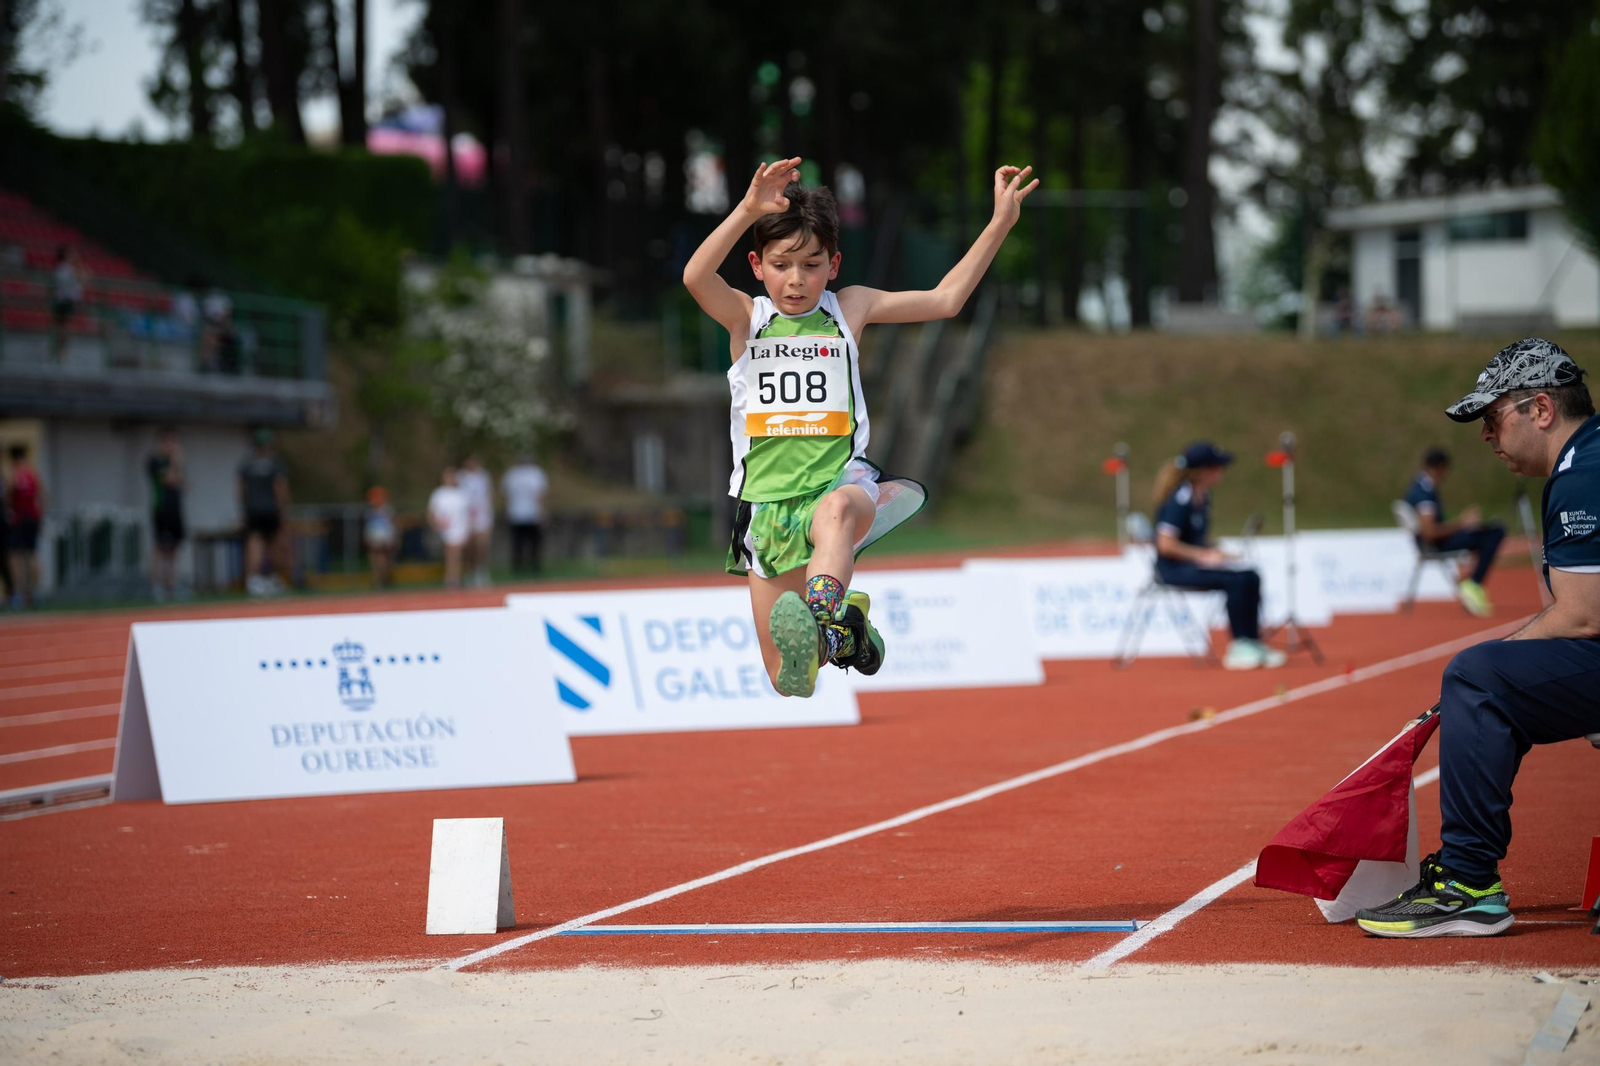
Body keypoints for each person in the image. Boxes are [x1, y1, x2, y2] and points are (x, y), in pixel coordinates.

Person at [684, 155, 1037, 697]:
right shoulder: (745, 320)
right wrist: (748, 208)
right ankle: (849, 638)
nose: (796, 280)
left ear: (834, 264)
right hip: (765, 506)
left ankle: (827, 613)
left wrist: (998, 225)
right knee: (789, 679)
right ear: (757, 265)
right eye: (781, 266)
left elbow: (945, 300)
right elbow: (694, 276)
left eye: (811, 264)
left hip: (839, 485)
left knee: (836, 510)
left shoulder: (850, 309)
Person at [1356, 337, 1600, 938]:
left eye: (1492, 418)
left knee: (1477, 677)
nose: (1487, 437)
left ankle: (1467, 881)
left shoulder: (1582, 473)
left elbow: (1582, 616)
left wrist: (1501, 661)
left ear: (1540, 410)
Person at [1150, 442, 1287, 671]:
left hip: (1192, 565)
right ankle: (1240, 645)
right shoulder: (1179, 500)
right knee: (1235, 581)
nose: (1222, 472)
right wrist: (1202, 555)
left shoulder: (1203, 497)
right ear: (1204, 470)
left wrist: (1218, 552)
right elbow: (1166, 545)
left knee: (1250, 575)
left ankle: (1253, 641)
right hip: (1172, 570)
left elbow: (1195, 538)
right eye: (1218, 467)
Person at [1403, 446, 1505, 617]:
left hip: (1434, 542)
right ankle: (1473, 584)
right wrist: (1462, 523)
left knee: (1489, 531)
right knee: (1494, 532)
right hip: (1437, 544)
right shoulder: (1424, 493)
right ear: (1440, 467)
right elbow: (1430, 533)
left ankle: (1470, 581)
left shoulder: (1418, 485)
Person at [238, 428, 290, 597]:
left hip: (253, 510)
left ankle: (253, 580)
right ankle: (270, 578)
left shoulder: (246, 464)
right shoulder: (275, 464)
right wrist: (283, 509)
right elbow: (279, 488)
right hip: (270, 509)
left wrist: (244, 508)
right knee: (273, 543)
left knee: (254, 543)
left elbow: (241, 490)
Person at [147, 428, 186, 602]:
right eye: (169, 442)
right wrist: (174, 461)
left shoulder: (174, 463)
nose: (173, 446)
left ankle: (172, 585)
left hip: (175, 509)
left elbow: (184, 484)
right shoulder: (155, 461)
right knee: (160, 547)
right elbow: (169, 479)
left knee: (174, 548)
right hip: (161, 509)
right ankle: (157, 585)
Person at [5, 443, 45, 609]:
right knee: (31, 555)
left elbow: (9, 498)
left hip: (20, 518)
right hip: (33, 518)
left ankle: (18, 595)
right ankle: (33, 593)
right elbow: (42, 496)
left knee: (15, 557)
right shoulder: (32, 474)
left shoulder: (13, 475)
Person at [502, 453, 549, 575]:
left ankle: (531, 567)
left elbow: (540, 495)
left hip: (527, 513)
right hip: (519, 513)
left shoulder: (532, 473)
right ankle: (520, 567)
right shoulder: (515, 474)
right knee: (520, 543)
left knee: (530, 543)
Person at [428, 466, 470, 589]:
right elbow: (432, 512)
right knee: (451, 553)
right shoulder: (439, 493)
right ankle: (452, 578)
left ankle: (453, 578)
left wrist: (467, 529)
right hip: (445, 529)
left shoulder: (461, 494)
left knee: (455, 554)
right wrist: (435, 524)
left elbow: (466, 513)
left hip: (459, 528)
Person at [458, 454, 494, 587]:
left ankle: (481, 571)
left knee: (482, 545)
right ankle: (469, 572)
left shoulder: (484, 477)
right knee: (469, 547)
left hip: (481, 516)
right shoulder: (461, 477)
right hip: (465, 516)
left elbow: (487, 496)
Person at [51, 246, 84, 362]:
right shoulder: (63, 269)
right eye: (70, 254)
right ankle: (60, 353)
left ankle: (62, 352)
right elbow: (79, 281)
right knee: (63, 329)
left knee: (65, 329)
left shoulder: (68, 269)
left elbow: (82, 280)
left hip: (67, 301)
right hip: (64, 301)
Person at [363, 485, 396, 589]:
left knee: (382, 560)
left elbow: (391, 526)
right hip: (373, 538)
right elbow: (368, 526)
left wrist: (391, 538)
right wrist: (367, 538)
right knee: (373, 560)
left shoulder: (387, 510)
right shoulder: (370, 511)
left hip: (383, 539)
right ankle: (377, 581)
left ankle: (384, 581)